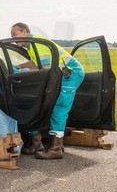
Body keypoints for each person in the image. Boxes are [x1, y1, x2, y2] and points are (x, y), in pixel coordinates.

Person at [10, 22, 85, 159]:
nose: (13, 38)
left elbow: (44, 67)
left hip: (70, 74)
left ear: (25, 31)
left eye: (15, 34)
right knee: (48, 107)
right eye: (11, 35)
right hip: (61, 75)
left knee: (58, 109)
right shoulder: (32, 46)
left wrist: (25, 71)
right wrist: (17, 67)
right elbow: (35, 63)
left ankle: (56, 149)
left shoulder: (38, 44)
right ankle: (39, 145)